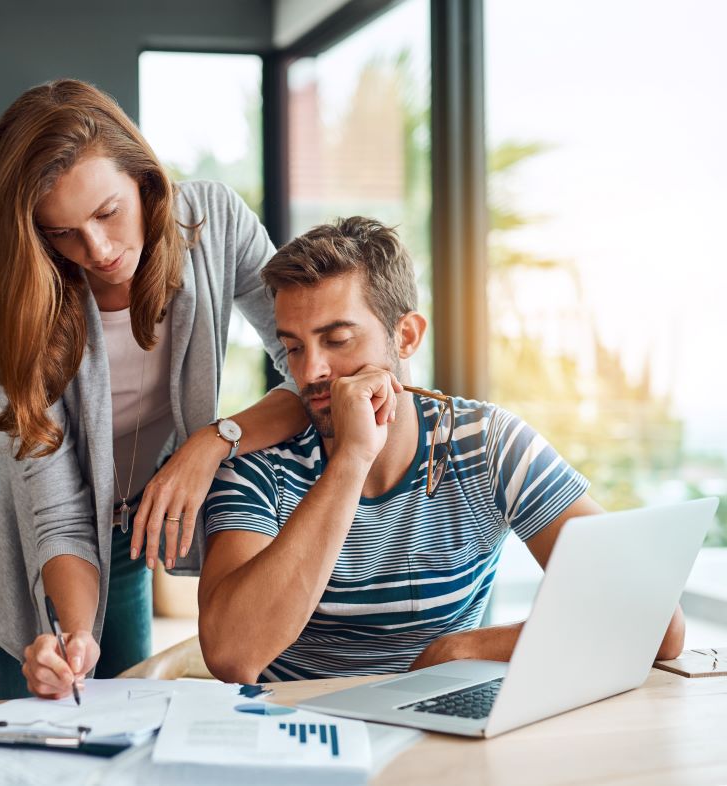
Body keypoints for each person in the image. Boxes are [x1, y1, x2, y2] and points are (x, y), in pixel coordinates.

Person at [0, 79, 306, 702]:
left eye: (106, 213)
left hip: (123, 535)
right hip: (3, 556)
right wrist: (72, 636)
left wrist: (214, 441)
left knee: (126, 738)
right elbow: (56, 508)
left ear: (144, 181)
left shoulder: (214, 224)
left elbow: (306, 366)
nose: (96, 251)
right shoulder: (27, 305)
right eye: (62, 233)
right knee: (14, 757)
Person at [197, 217, 686, 683]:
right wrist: (351, 459)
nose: (311, 372)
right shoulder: (258, 465)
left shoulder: (486, 443)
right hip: (300, 737)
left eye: (338, 339)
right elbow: (231, 656)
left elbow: (656, 622)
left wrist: (463, 649)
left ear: (405, 336)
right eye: (295, 348)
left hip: (439, 735)